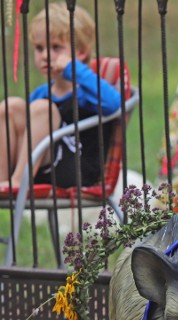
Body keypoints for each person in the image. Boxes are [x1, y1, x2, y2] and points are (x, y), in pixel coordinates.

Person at [0, 3, 121, 193]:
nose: (46, 55)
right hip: (39, 168)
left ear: (81, 51)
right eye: (39, 48)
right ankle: (3, 178)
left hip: (75, 172)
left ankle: (17, 182)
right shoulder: (41, 94)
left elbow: (114, 104)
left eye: (56, 47)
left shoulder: (87, 90)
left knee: (42, 109)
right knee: (11, 106)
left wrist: (73, 69)